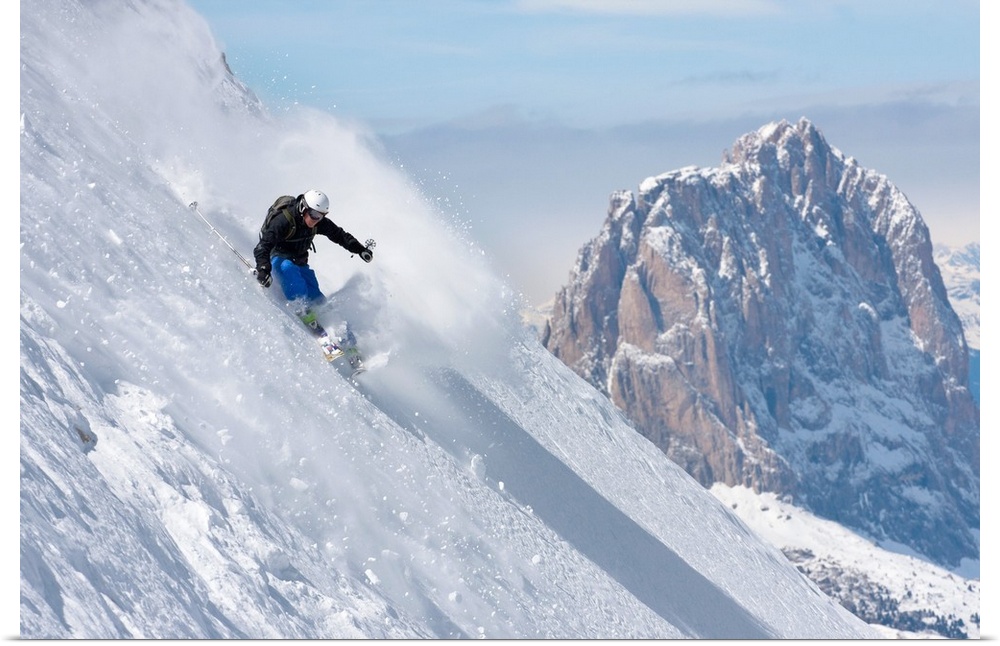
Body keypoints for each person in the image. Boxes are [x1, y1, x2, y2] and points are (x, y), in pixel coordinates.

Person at [253, 189, 373, 331]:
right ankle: (301, 308)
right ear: (303, 208)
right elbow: (263, 246)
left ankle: (339, 331)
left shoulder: (318, 222)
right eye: (314, 214)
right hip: (277, 257)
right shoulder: (283, 221)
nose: (316, 219)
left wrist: (360, 249)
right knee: (288, 268)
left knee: (316, 296)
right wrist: (263, 268)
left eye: (321, 216)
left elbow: (339, 235)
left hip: (299, 260)